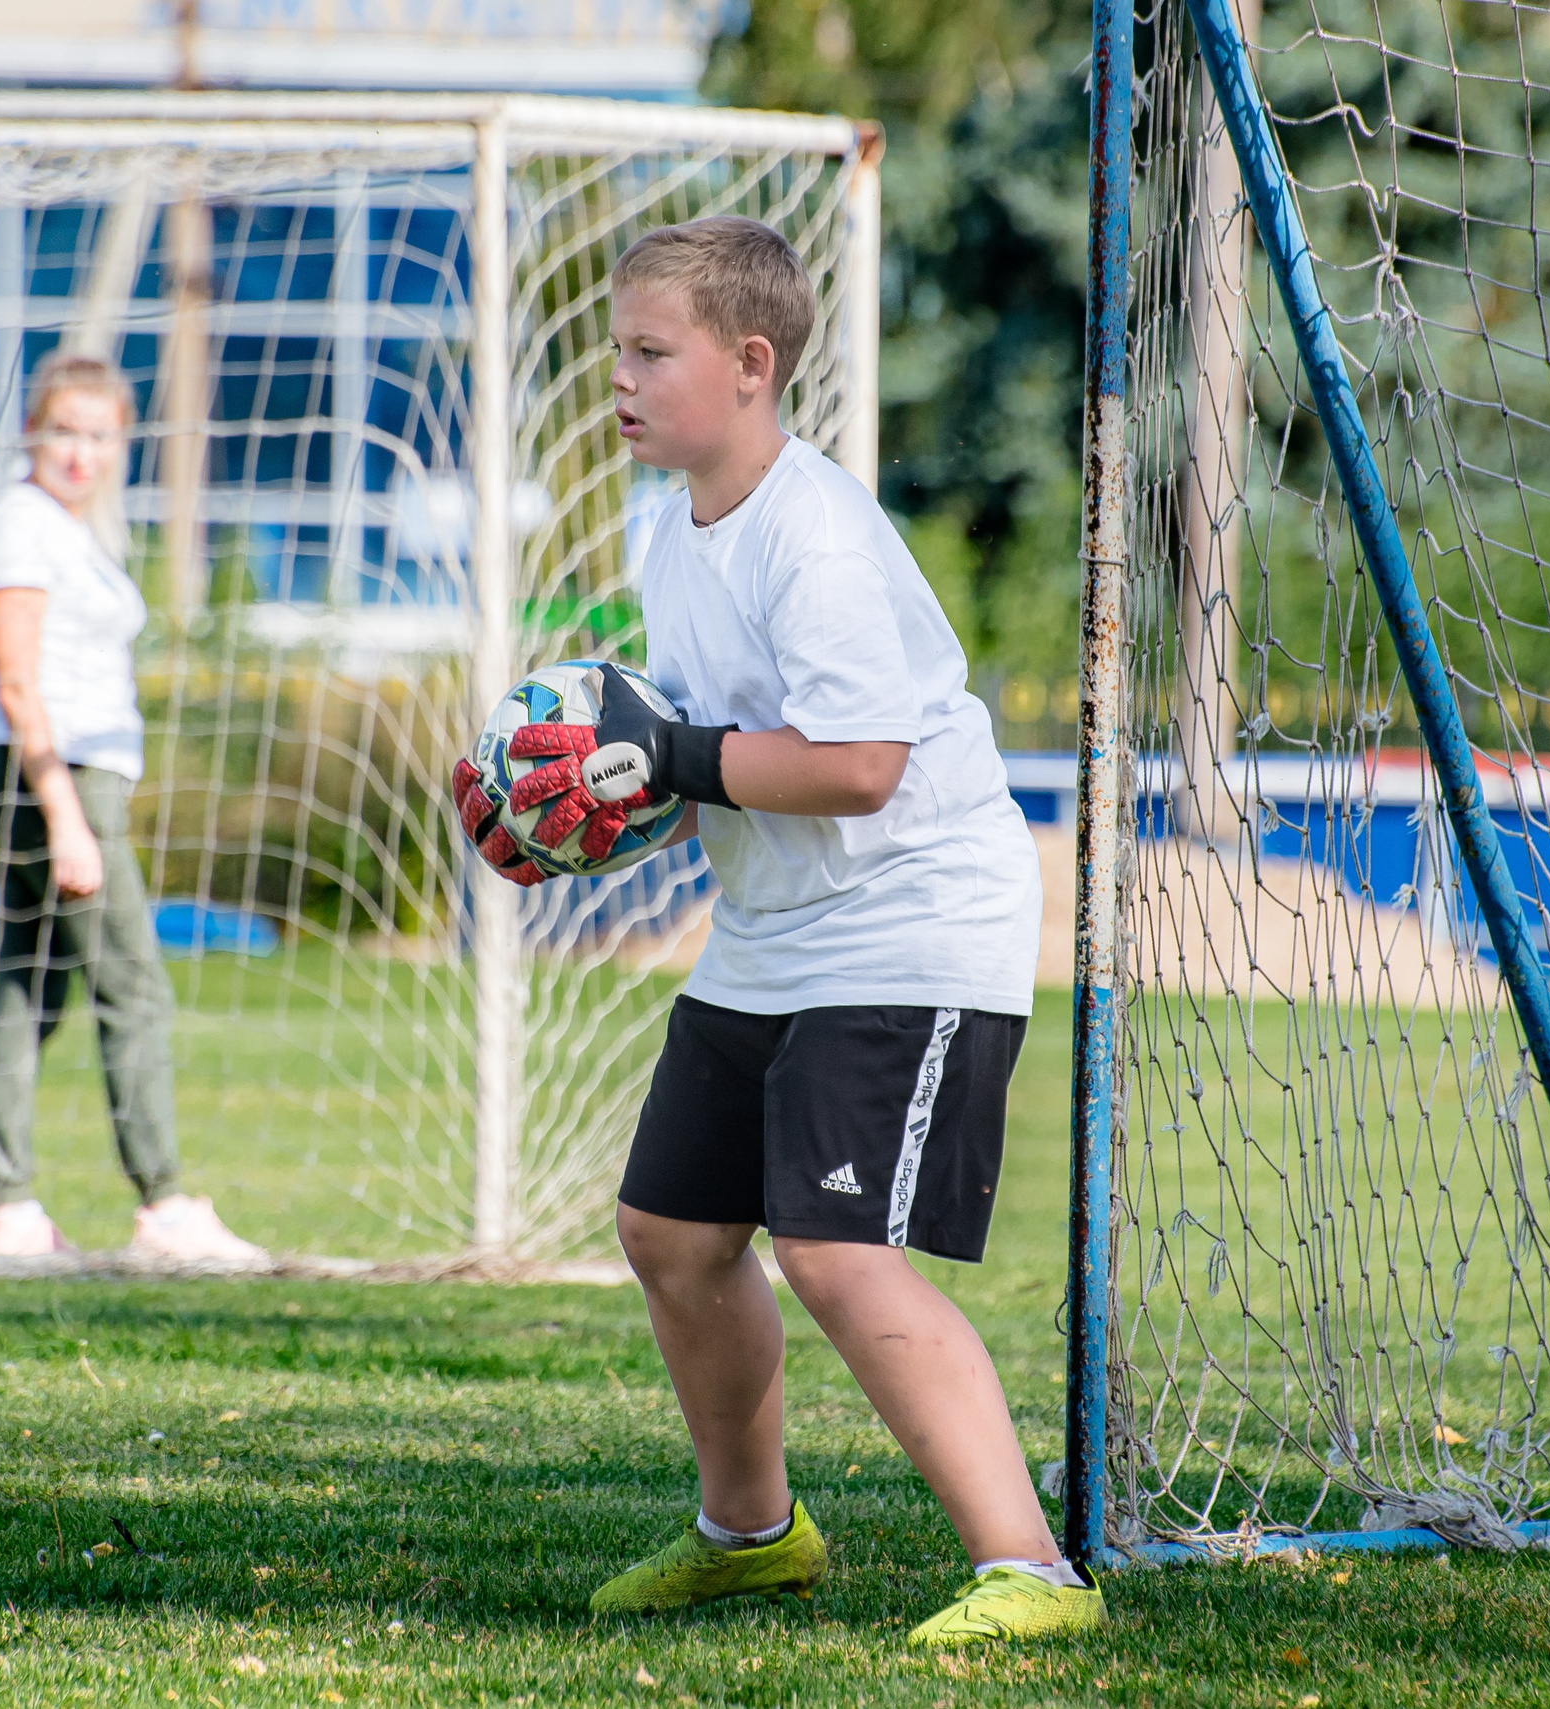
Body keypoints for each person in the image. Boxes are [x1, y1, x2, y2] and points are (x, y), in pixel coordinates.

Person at [454, 219, 1101, 1645]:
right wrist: (580, 816)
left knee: (835, 1246)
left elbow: (859, 760)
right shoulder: (664, 517)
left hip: (914, 910)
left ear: (751, 365)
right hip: (781, 920)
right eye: (613, 351)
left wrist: (670, 763)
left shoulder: (812, 534)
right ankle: (750, 1535)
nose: (616, 380)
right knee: (672, 1233)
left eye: (647, 352)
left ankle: (1031, 1573)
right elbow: (710, 753)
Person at [0, 351, 267, 1265]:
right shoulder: (24, 528)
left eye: (100, 436)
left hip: (53, 778)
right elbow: (19, 683)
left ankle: (13, 1209)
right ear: (33, 432)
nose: (82, 452)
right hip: (55, 777)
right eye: (65, 430)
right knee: (133, 985)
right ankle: (164, 1204)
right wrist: (64, 813)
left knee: (30, 985)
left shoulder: (69, 527)